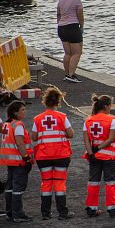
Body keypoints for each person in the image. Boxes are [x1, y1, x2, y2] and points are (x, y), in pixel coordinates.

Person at [31, 86, 75, 220]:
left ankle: (45, 213)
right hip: (61, 155)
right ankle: (63, 213)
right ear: (58, 101)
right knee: (60, 183)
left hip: (43, 156)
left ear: (45, 101)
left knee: (46, 183)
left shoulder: (38, 119)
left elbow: (34, 137)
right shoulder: (62, 117)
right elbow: (71, 134)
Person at [83, 94, 115, 218]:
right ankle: (112, 209)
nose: (110, 108)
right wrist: (99, 148)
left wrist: (91, 152)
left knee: (93, 182)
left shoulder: (88, 120)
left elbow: (86, 140)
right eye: (110, 106)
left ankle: (91, 208)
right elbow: (110, 139)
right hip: (109, 157)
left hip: (94, 157)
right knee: (110, 183)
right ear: (105, 106)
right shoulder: (111, 120)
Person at [0, 101, 34, 222]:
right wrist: (26, 158)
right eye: (23, 110)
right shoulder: (18, 125)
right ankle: (18, 214)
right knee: (18, 188)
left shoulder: (6, 124)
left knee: (9, 187)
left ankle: (10, 212)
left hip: (8, 160)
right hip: (19, 160)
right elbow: (20, 143)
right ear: (15, 112)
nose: (25, 112)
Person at [56, 0, 84, 83]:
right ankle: (72, 75)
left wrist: (60, 24)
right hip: (72, 27)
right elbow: (80, 15)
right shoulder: (77, 1)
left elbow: (58, 15)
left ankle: (67, 74)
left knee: (68, 53)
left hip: (61, 28)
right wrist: (81, 26)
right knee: (77, 52)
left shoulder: (61, 1)